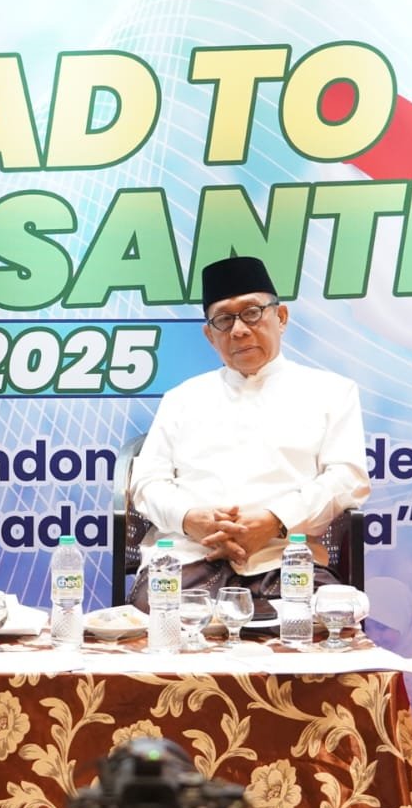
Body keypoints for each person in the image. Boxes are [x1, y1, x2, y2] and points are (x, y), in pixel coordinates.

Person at [127, 255, 370, 608]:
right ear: (210, 336)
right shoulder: (181, 399)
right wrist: (192, 520)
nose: (239, 330)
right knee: (162, 620)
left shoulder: (333, 392)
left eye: (252, 313)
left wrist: (275, 521)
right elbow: (147, 483)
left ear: (281, 317)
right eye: (224, 320)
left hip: (286, 559)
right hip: (191, 558)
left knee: (324, 621)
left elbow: (348, 478)